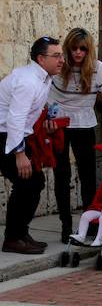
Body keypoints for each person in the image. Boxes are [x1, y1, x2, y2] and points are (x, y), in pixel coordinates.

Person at [49, 28, 102, 242]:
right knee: (62, 174)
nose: (78, 53)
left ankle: (90, 221)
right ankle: (65, 225)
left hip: (85, 124)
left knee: (88, 177)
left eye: (83, 49)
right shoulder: (59, 67)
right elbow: (43, 94)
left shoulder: (97, 68)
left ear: (89, 50)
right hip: (59, 125)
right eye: (74, 48)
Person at [0, 37, 64, 254]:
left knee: (34, 183)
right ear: (40, 58)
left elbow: (29, 114)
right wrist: (19, 153)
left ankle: (19, 233)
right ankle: (13, 239)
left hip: (16, 136)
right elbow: (15, 118)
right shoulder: (28, 81)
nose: (61, 60)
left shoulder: (43, 78)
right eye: (56, 56)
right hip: (6, 136)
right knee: (27, 183)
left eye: (61, 55)